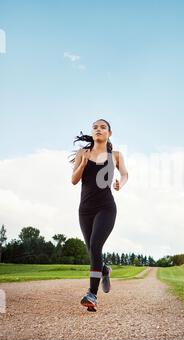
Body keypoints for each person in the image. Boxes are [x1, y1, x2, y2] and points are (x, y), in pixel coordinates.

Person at [69, 118, 128, 312]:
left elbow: (126, 174)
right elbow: (74, 180)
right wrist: (83, 165)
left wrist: (121, 182)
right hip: (85, 210)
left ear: (109, 133)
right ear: (92, 132)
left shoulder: (116, 156)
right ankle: (104, 270)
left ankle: (92, 294)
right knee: (92, 251)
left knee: (95, 246)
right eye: (95, 127)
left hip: (106, 208)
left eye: (103, 127)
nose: (98, 130)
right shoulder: (82, 153)